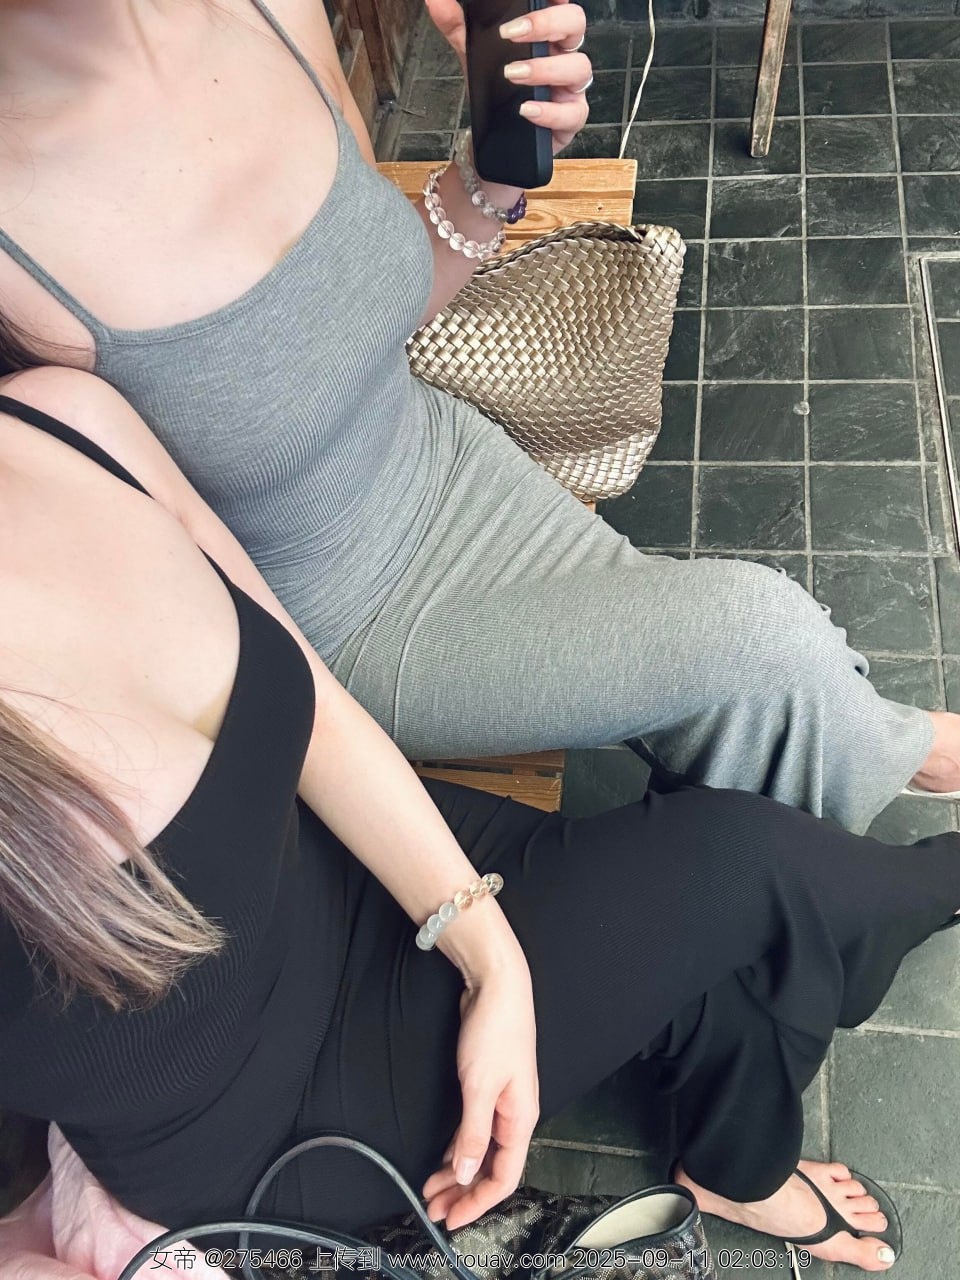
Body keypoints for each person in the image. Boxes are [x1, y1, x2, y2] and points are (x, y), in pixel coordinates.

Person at [1, 367, 960, 1279]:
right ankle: (930, 893)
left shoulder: (62, 417)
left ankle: (734, 1162)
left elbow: (313, 704)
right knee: (753, 872)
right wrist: (39, 1224)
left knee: (734, 958)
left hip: (351, 864)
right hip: (272, 1121)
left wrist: (487, 953)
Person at [0, 0, 957, 837]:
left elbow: (367, 313)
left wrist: (496, 162)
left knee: (745, 674)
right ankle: (899, 762)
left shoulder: (274, 13)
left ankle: (792, 842)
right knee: (761, 636)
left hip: (450, 454)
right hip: (351, 625)